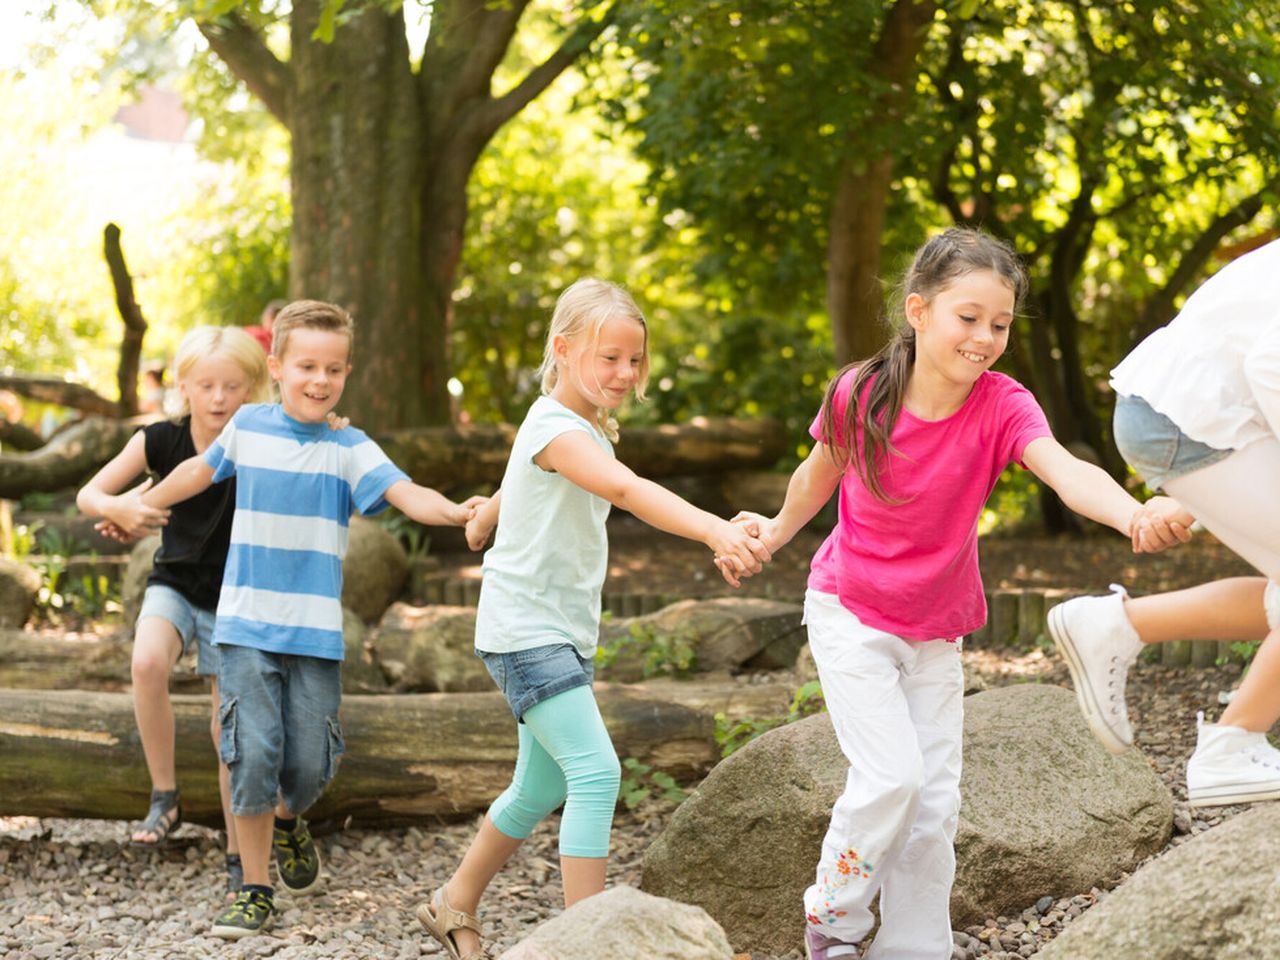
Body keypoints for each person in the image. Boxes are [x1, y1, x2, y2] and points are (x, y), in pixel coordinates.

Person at [729, 228, 1188, 960]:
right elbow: (817, 474)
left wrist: (1135, 514)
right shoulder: (863, 393)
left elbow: (1065, 470)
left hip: (935, 628)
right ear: (918, 311)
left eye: (1000, 324)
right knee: (892, 777)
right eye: (967, 317)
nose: (985, 338)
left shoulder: (1003, 405)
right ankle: (833, 923)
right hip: (850, 609)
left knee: (935, 804)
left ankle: (912, 948)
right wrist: (775, 534)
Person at [414, 278, 771, 960]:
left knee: (540, 783)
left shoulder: (567, 426)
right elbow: (623, 488)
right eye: (609, 358)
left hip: (556, 630)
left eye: (634, 360)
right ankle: (589, 943)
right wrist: (714, 531)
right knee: (597, 772)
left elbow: (532, 479)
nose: (625, 373)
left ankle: (454, 901)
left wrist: (489, 511)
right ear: (564, 349)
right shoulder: (557, 427)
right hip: (528, 632)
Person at [135, 300, 486, 939]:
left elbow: (407, 493)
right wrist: (144, 504)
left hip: (314, 633)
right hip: (244, 627)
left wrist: (459, 512)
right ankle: (253, 886)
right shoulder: (248, 428)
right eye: (306, 367)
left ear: (347, 373)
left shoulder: (350, 446)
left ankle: (290, 818)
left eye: (333, 369)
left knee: (309, 763)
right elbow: (195, 470)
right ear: (277, 367)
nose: (319, 381)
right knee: (252, 751)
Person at [1048, 236, 1280, 808]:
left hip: (1194, 413)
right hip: (1190, 417)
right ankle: (1231, 747)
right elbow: (1270, 361)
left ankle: (1120, 624)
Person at [76, 327, 270, 893]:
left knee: (223, 726)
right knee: (146, 664)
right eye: (205, 385)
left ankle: (240, 856)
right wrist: (121, 508)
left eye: (232, 386)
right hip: (176, 584)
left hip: (236, 595)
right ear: (183, 386)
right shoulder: (159, 440)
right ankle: (165, 795)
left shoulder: (260, 437)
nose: (217, 398)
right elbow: (91, 494)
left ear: (252, 386)